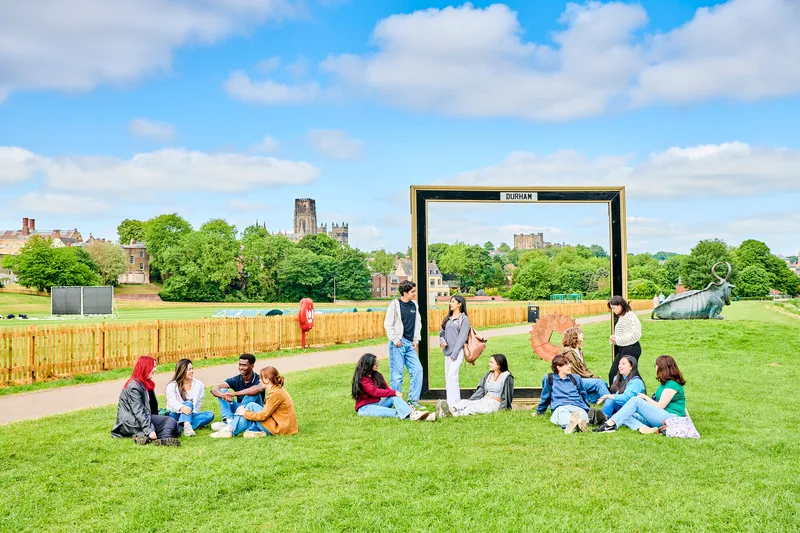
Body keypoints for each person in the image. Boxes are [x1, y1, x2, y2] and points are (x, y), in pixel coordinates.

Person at [594, 355, 686, 434]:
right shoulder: (664, 384)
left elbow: (660, 406)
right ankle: (644, 428)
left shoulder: (672, 385)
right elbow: (683, 406)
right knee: (624, 413)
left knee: (635, 400)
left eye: (656, 366)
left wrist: (645, 398)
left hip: (671, 418)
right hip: (661, 417)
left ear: (663, 367)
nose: (656, 368)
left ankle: (609, 424)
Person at [210, 366, 298, 438]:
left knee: (251, 406)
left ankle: (229, 430)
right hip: (285, 426)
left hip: (281, 429)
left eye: (261, 378)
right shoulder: (277, 389)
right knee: (251, 407)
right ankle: (242, 429)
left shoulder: (275, 393)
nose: (259, 380)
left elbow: (263, 416)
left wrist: (245, 413)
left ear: (267, 380)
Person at [111, 356, 180, 446]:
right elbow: (138, 411)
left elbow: (150, 408)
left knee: (176, 430)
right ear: (145, 368)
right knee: (170, 421)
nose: (155, 369)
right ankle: (165, 438)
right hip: (130, 422)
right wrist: (149, 430)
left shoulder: (145, 383)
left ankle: (143, 437)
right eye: (153, 367)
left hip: (140, 419)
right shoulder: (134, 386)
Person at [352, 353, 432, 421]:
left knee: (394, 396)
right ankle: (416, 416)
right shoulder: (362, 379)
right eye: (374, 363)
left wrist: (403, 403)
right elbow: (374, 391)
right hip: (366, 408)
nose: (377, 365)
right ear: (368, 365)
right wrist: (394, 392)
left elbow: (387, 390)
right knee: (394, 412)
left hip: (378, 404)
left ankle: (412, 413)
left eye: (377, 362)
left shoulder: (377, 375)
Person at [383, 280, 424, 410]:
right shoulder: (395, 305)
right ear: (405, 293)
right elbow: (388, 324)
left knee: (417, 370)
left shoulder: (414, 305)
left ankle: (413, 400)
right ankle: (397, 402)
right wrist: (395, 340)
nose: (414, 294)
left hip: (410, 345)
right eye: (412, 292)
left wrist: (416, 340)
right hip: (398, 345)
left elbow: (418, 323)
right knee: (397, 375)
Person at [440, 354, 514, 418]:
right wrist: (472, 400)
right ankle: (448, 410)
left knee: (474, 408)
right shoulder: (488, 375)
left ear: (499, 363)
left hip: (495, 403)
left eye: (491, 362)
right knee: (465, 402)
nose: (489, 364)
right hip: (484, 400)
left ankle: (454, 415)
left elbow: (507, 396)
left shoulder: (506, 377)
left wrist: (502, 410)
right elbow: (481, 390)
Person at [534, 354, 591, 434]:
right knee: (561, 413)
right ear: (558, 367)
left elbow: (583, 394)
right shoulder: (549, 378)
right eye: (567, 365)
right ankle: (575, 424)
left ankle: (574, 424)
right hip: (561, 406)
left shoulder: (576, 378)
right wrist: (539, 412)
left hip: (577, 406)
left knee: (581, 414)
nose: (570, 366)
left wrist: (587, 408)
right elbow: (545, 396)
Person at [209, 353, 265, 429]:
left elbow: (258, 389)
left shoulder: (259, 379)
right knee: (222, 390)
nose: (241, 367)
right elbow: (214, 389)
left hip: (254, 411)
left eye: (244, 365)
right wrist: (223, 395)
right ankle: (228, 420)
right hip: (239, 409)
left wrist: (234, 394)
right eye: (240, 365)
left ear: (252, 366)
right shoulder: (236, 379)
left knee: (251, 394)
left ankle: (233, 422)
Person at [165, 359, 214, 436]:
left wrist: (192, 413)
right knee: (188, 403)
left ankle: (181, 426)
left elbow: (198, 403)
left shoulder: (199, 384)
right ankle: (187, 426)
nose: (192, 371)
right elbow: (172, 403)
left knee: (210, 415)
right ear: (182, 371)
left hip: (191, 413)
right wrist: (182, 408)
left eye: (192, 368)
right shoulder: (171, 386)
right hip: (175, 413)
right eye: (189, 369)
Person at [560, 327, 609, 404]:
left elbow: (584, 369)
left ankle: (585, 400)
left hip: (581, 378)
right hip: (573, 380)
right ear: (574, 336)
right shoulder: (568, 352)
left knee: (604, 383)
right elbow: (575, 371)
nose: (582, 334)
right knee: (599, 383)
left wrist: (592, 377)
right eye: (580, 333)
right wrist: (591, 377)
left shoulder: (579, 351)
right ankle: (611, 403)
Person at [439, 295, 470, 413]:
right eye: (450, 302)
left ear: (459, 304)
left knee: (452, 376)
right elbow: (441, 333)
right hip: (447, 353)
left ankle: (453, 405)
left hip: (457, 353)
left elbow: (462, 338)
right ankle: (454, 402)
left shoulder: (464, 319)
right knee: (450, 378)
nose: (450, 304)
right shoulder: (448, 318)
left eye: (453, 302)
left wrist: (455, 354)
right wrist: (442, 342)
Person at [594, 355, 646, 425]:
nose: (620, 366)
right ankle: (600, 418)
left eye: (623, 364)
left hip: (633, 411)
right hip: (622, 407)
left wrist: (608, 396)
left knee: (610, 399)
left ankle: (602, 419)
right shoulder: (617, 378)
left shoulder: (636, 382)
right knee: (610, 400)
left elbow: (627, 398)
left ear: (631, 367)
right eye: (619, 364)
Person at [607, 296, 642, 384]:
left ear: (620, 305)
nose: (613, 310)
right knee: (619, 374)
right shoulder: (623, 316)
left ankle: (629, 392)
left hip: (631, 348)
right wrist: (615, 338)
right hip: (625, 348)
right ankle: (619, 392)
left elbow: (635, 335)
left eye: (614, 308)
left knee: (626, 374)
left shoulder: (629, 316)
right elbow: (625, 333)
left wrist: (617, 339)